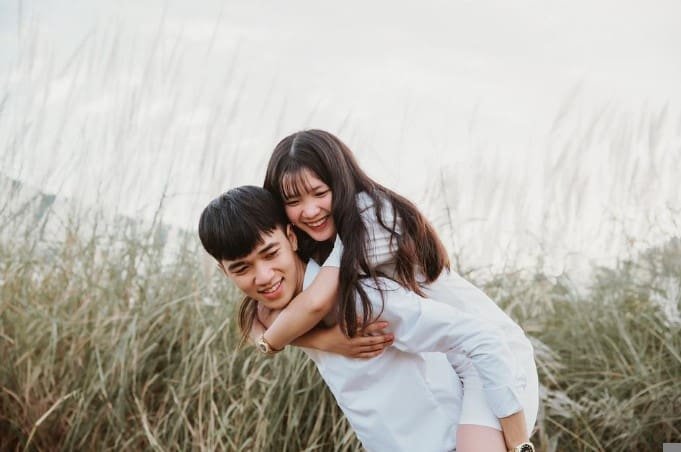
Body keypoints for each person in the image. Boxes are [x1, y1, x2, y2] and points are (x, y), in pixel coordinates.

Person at [256, 129, 538, 452]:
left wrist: (289, 341)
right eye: (293, 201)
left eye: (319, 193)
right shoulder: (322, 241)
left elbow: (315, 303)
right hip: (453, 360)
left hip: (491, 356)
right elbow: (258, 315)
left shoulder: (369, 217)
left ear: (341, 183)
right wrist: (316, 340)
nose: (309, 210)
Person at [198, 185, 532, 451]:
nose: (263, 276)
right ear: (223, 271)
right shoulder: (277, 315)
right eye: (241, 269)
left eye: (270, 254)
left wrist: (518, 446)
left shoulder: (362, 299)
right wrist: (321, 341)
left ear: (291, 236)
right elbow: (261, 326)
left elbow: (482, 338)